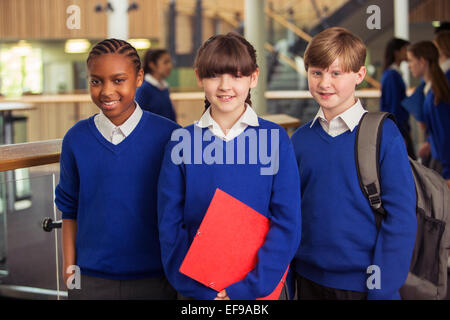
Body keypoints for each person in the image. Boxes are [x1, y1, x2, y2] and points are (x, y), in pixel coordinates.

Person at [157, 32, 301, 300]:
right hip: (197, 290)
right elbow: (170, 224)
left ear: (253, 78)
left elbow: (287, 222)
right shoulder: (181, 142)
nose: (225, 86)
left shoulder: (275, 139)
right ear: (199, 77)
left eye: (236, 76)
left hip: (261, 288)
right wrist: (194, 287)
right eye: (214, 76)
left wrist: (252, 286)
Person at [291, 27, 417, 300]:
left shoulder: (383, 135)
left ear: (359, 75)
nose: (325, 83)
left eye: (336, 73)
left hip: (364, 286)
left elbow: (402, 220)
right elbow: (290, 214)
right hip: (307, 282)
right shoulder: (299, 140)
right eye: (317, 72)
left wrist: (382, 291)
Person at [55, 39, 180, 299]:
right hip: (90, 279)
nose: (106, 91)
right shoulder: (75, 139)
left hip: (157, 277)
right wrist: (70, 273)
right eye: (96, 81)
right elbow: (69, 209)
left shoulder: (170, 136)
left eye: (118, 80)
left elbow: (181, 210)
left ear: (139, 78)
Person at [408, 41, 450, 188]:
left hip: (443, 165)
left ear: (422, 61)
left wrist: (448, 172)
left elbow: (445, 135)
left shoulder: (436, 95)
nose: (409, 65)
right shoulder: (430, 91)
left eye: (411, 60)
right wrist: (430, 142)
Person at [380, 38, 416, 159]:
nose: (408, 53)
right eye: (406, 50)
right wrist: (398, 135)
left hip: (400, 127)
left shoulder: (393, 74)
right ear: (397, 52)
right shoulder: (392, 76)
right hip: (399, 129)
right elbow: (393, 108)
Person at [135, 49, 177, 122]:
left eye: (170, 62)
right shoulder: (144, 89)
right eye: (165, 62)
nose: (170, 66)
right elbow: (138, 119)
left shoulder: (164, 88)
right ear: (152, 65)